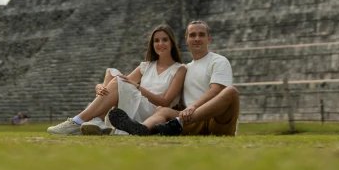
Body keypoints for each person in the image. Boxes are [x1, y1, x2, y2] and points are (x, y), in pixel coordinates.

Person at [47, 24, 186, 136]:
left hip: (154, 113)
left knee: (118, 80)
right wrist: (99, 86)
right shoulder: (146, 66)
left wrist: (138, 88)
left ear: (172, 43)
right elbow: (120, 85)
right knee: (112, 73)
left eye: (165, 40)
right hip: (136, 106)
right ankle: (96, 119)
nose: (160, 44)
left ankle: (78, 121)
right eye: (156, 40)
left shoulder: (179, 69)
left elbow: (165, 102)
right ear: (152, 44)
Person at [109, 20, 239, 137]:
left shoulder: (218, 61)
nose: (197, 38)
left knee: (231, 91)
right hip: (189, 122)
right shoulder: (185, 68)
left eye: (201, 35)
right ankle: (142, 129)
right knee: (162, 110)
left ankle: (176, 123)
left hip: (215, 121)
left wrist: (192, 107)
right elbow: (182, 100)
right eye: (192, 35)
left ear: (209, 38)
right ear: (186, 39)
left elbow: (216, 91)